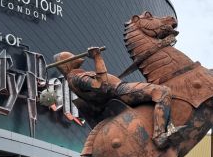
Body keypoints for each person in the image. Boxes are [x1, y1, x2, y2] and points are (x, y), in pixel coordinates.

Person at [52, 46, 182, 151]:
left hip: (119, 89)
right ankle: (159, 135)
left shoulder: (76, 77)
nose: (76, 57)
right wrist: (97, 57)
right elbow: (102, 85)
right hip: (120, 91)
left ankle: (167, 124)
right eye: (71, 57)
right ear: (67, 65)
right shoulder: (77, 78)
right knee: (162, 91)